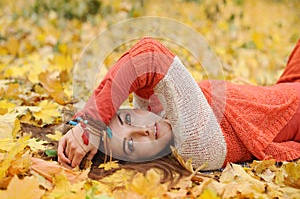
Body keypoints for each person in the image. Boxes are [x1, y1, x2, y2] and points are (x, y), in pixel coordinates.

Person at [58, 37, 300, 171]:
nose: (144, 130)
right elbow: (150, 56)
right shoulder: (194, 146)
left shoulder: (162, 117)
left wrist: (85, 123)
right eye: (131, 144)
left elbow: (143, 84)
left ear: (130, 108)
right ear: (138, 162)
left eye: (128, 118)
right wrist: (91, 123)